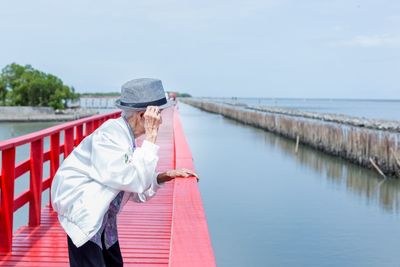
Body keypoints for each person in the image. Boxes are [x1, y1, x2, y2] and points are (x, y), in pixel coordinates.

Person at [51, 78, 198, 267]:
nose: (160, 120)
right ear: (142, 115)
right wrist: (151, 138)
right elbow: (133, 180)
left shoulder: (125, 136)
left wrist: (163, 176)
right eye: (158, 114)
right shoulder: (109, 136)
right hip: (85, 216)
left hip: (104, 221)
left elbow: (137, 188)